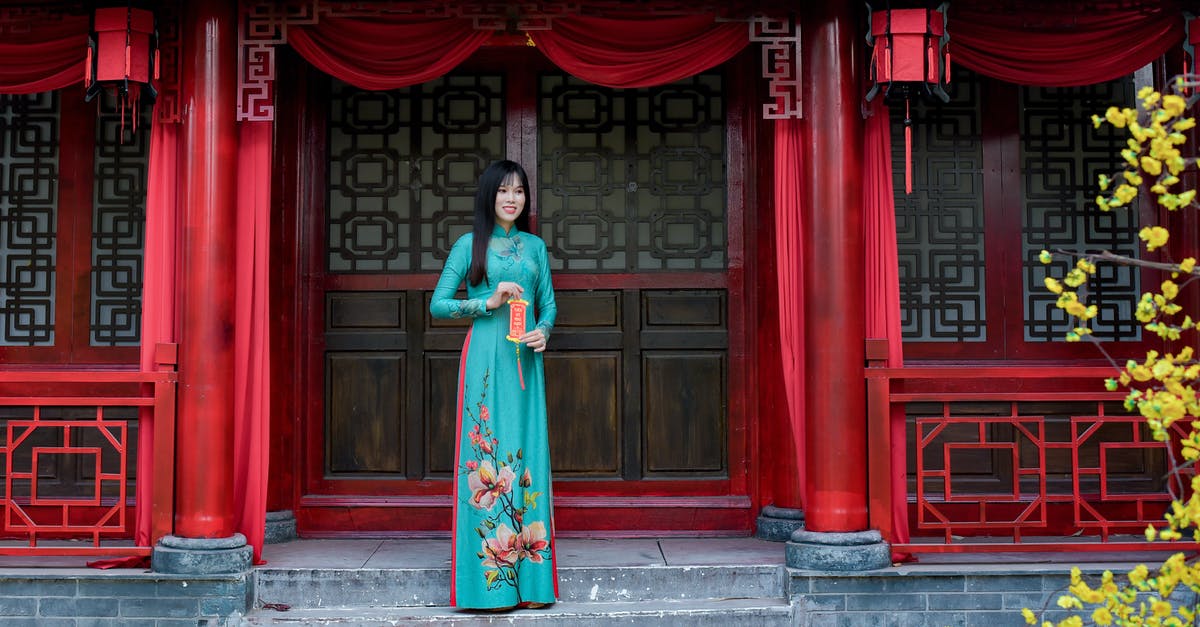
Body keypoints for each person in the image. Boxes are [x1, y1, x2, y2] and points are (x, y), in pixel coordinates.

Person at [430, 160, 558, 611]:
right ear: (489, 196)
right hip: (485, 359)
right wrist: (487, 301)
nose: (511, 199)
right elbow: (439, 305)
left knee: (527, 454)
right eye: (503, 191)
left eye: (519, 191)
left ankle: (532, 582)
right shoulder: (470, 246)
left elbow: (549, 306)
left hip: (525, 359)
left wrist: (544, 330)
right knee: (487, 457)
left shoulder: (535, 248)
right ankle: (490, 586)